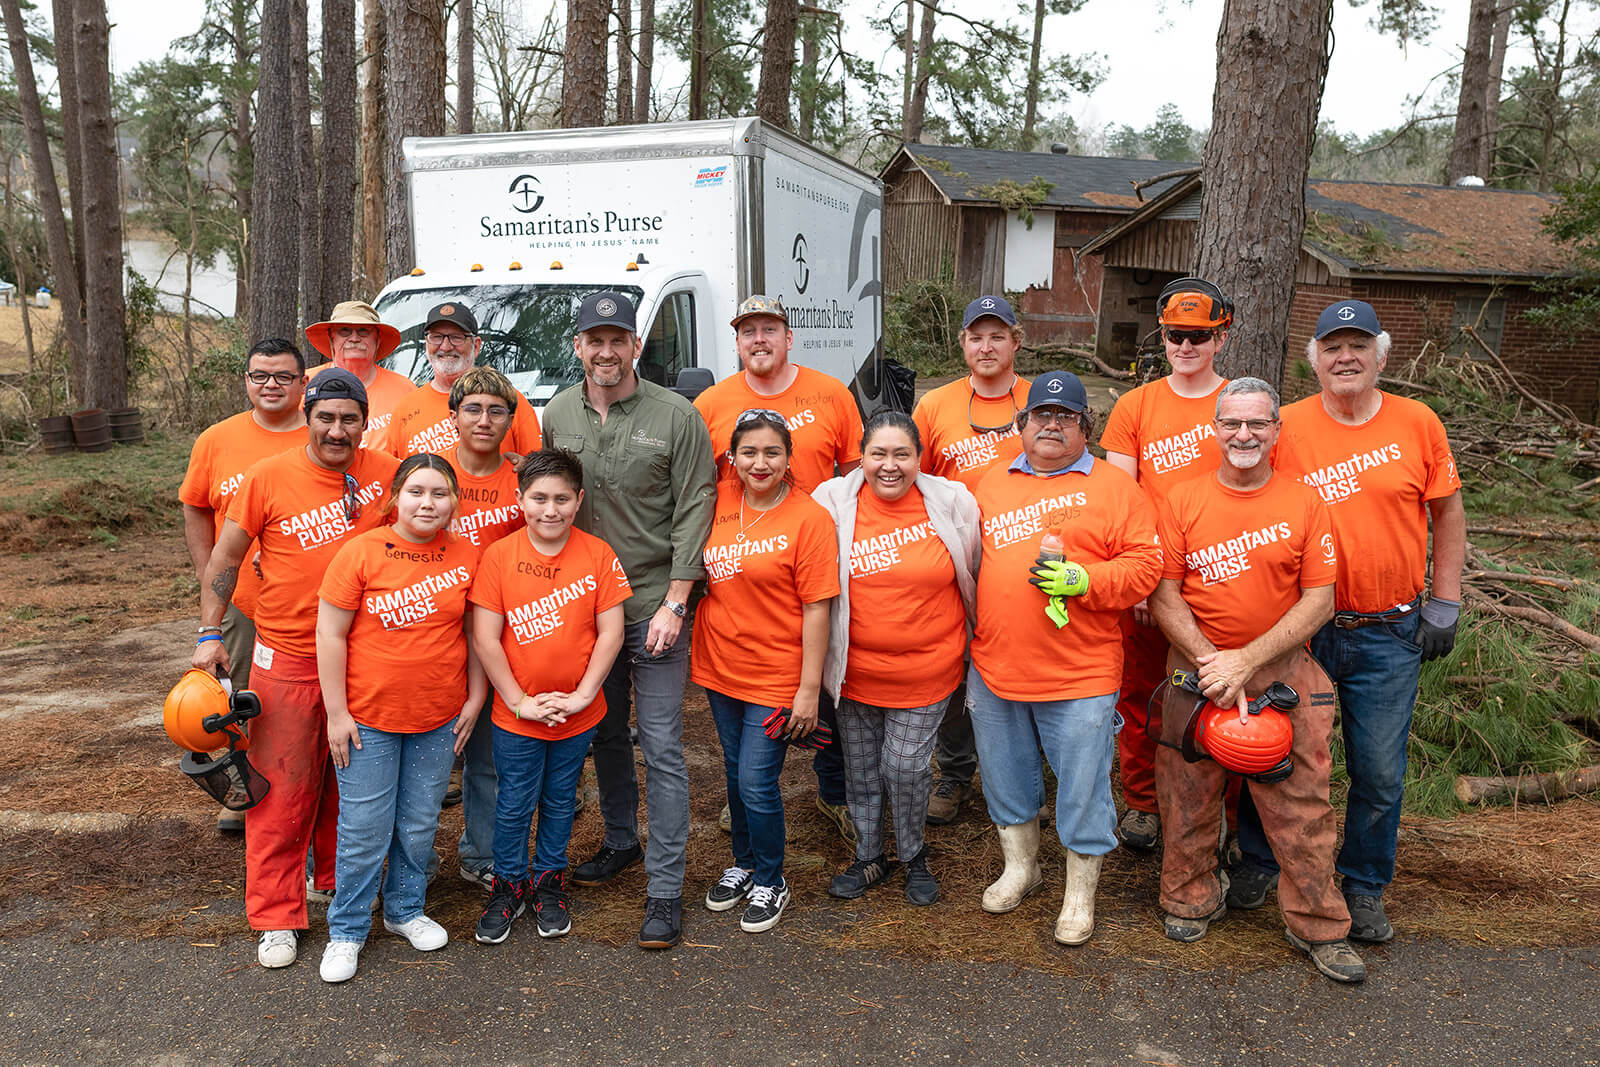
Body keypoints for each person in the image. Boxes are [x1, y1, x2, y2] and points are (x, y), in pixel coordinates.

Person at [1230, 300, 1465, 944]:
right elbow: (1246, 503)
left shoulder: (1418, 423)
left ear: (1381, 356)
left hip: (1389, 630)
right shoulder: (1288, 428)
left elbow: (1446, 516)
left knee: (1379, 770)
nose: (1345, 357)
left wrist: (1445, 600)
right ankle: (1260, 859)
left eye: (1358, 345)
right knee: (1273, 751)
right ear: (1315, 360)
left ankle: (1362, 884)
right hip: (1300, 625)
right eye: (1333, 346)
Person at [1149, 377, 1365, 983]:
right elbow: (1164, 596)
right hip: (1195, 677)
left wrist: (1245, 661)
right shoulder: (1181, 499)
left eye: (1257, 424)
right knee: (1187, 795)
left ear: (1276, 431)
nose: (1244, 435)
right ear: (1215, 430)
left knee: (1303, 806)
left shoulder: (1304, 501)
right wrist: (1211, 661)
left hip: (1284, 676)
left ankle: (1319, 926)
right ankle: (1189, 897)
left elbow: (1320, 599)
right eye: (1232, 424)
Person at [191, 369, 400, 969]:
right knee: (280, 789)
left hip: (367, 656)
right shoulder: (269, 476)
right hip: (287, 655)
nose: (338, 430)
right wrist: (210, 632)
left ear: (364, 419)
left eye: (349, 418)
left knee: (349, 786)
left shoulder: (387, 473)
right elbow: (225, 559)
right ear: (308, 417)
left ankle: (331, 885)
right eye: (326, 417)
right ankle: (277, 917)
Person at [541, 290, 716, 950]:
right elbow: (550, 504)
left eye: (619, 339)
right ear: (579, 347)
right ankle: (621, 838)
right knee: (604, 734)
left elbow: (695, 506)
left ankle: (666, 889)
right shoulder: (558, 414)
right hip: (588, 612)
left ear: (636, 346)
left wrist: (677, 598)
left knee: (664, 748)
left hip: (652, 608)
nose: (607, 350)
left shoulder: (676, 416)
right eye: (595, 339)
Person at [968, 371, 1161, 945]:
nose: (1051, 425)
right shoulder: (990, 483)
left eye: (1066, 416)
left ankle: (1080, 894)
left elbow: (1146, 567)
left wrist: (1085, 578)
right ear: (1022, 424)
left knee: (1082, 786)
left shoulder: (1116, 489)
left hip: (1080, 671)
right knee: (1004, 775)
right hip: (996, 664)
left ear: (1086, 427)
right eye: (1041, 416)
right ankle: (1021, 868)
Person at [694, 294, 864, 844]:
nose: (759, 339)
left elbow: (858, 477)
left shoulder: (831, 393)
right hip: (747, 562)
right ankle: (746, 793)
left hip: (821, 556)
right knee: (747, 698)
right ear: (737, 340)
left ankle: (833, 791)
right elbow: (702, 489)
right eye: (749, 331)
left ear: (789, 337)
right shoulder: (712, 404)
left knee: (826, 688)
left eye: (770, 328)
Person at [314, 455, 486, 983]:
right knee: (365, 827)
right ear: (396, 496)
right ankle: (346, 929)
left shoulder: (467, 555)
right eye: (416, 492)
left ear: (454, 500)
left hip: (437, 716)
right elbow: (330, 634)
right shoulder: (361, 552)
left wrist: (475, 697)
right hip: (368, 718)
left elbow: (477, 635)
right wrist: (337, 712)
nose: (427, 503)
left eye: (439, 493)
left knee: (417, 822)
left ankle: (404, 909)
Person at [812, 411, 979, 906]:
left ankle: (912, 854)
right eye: (878, 454)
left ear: (919, 458)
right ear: (860, 456)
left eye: (901, 454)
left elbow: (974, 571)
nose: (889, 466)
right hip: (854, 673)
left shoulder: (951, 502)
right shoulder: (832, 502)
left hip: (927, 669)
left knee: (904, 767)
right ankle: (869, 856)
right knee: (861, 770)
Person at [468, 449, 631, 946]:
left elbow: (611, 633)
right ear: (520, 499)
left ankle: (548, 881)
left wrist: (583, 695)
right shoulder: (499, 556)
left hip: (574, 712)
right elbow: (486, 638)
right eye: (538, 498)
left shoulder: (598, 553)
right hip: (517, 714)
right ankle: (507, 883)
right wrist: (519, 701)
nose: (550, 509)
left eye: (562, 498)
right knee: (514, 800)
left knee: (561, 800)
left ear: (579, 500)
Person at [692, 409, 840, 933]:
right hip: (719, 665)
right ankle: (745, 863)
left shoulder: (808, 518)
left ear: (788, 459)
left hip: (777, 674)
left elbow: (818, 607)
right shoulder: (718, 501)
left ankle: (772, 878)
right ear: (731, 457)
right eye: (748, 452)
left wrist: (808, 691)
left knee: (757, 781)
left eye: (772, 452)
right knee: (735, 774)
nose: (759, 462)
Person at [1100, 277, 1234, 852]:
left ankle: (1224, 813)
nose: (1185, 347)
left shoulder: (1239, 405)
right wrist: (1137, 583)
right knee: (1141, 696)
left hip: (1224, 576)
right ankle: (1142, 802)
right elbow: (1121, 496)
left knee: (1222, 697)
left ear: (1219, 338)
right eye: (1176, 335)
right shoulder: (1136, 404)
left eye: (1198, 337)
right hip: (1151, 581)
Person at [911, 295, 1032, 827]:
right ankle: (956, 772)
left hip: (1025, 559)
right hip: (957, 558)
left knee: (1026, 664)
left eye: (997, 336)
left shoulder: (1040, 400)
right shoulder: (935, 405)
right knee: (956, 665)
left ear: (1016, 340)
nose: (987, 347)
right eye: (976, 337)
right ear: (962, 343)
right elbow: (914, 481)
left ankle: (1028, 778)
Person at [179, 338, 308, 831]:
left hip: (305, 603)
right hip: (240, 599)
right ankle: (242, 788)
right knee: (236, 697)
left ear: (302, 383)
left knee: (293, 702)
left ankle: (302, 790)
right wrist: (205, 572)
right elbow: (194, 504)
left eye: (282, 377)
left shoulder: (319, 437)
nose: (270, 385)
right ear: (246, 382)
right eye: (259, 376)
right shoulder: (216, 439)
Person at [442, 366, 529, 890]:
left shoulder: (522, 479)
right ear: (453, 417)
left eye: (497, 410)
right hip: (436, 629)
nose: (484, 419)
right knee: (431, 755)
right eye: (472, 409)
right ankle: (412, 861)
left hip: (500, 632)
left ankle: (482, 854)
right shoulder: (427, 473)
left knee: (488, 757)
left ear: (511, 420)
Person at [376, 302, 542, 458]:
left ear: (476, 345)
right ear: (426, 344)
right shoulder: (405, 408)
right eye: (436, 337)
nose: (446, 346)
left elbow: (535, 472)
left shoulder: (509, 401)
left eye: (456, 337)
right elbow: (394, 478)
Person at [304, 301, 414, 447]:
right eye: (344, 330)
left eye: (363, 331)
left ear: (377, 339)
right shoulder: (304, 384)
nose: (354, 338)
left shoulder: (405, 389)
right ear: (331, 338)